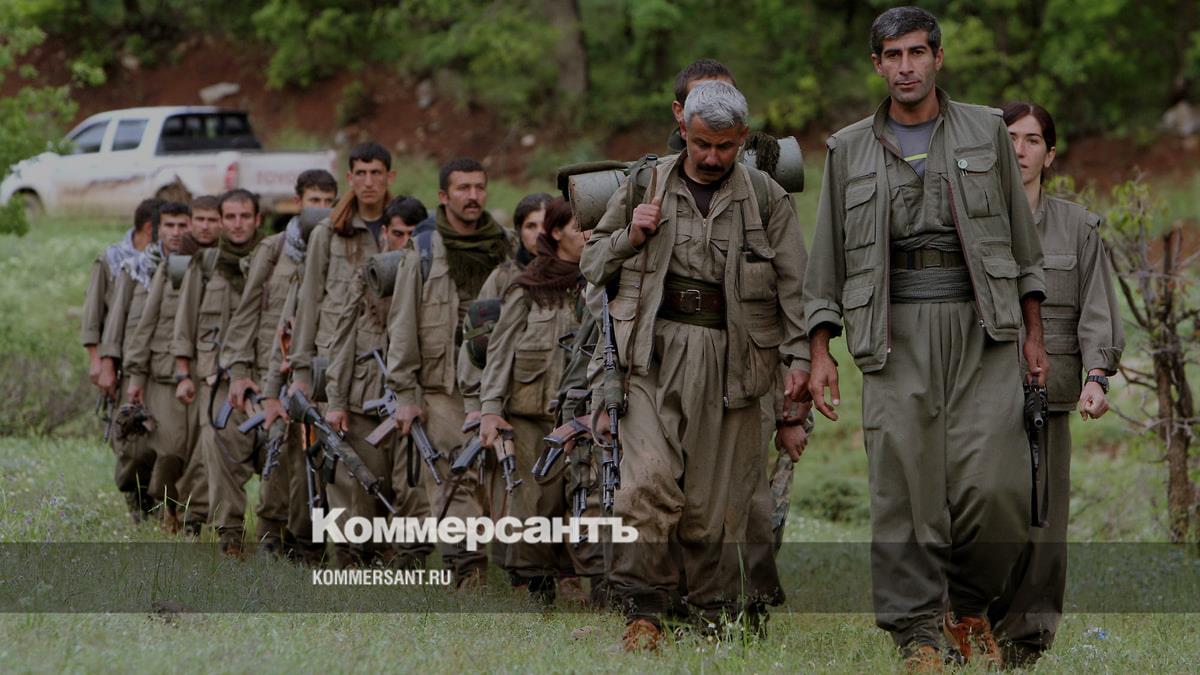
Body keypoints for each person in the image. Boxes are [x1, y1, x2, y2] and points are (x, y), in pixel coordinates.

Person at [799, 6, 1048, 668]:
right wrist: (820, 352)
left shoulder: (986, 129)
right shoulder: (848, 148)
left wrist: (1034, 332)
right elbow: (825, 261)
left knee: (998, 488)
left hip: (982, 327)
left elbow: (1023, 244)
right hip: (893, 332)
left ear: (938, 57)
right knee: (904, 489)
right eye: (893, 55)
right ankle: (916, 632)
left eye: (917, 52)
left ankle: (966, 607)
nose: (905, 66)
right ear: (877, 64)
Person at [580, 80, 808, 649]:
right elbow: (592, 264)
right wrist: (631, 236)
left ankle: (711, 615)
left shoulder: (767, 198)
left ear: (742, 139)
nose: (711, 157)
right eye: (702, 143)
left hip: (734, 364)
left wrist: (801, 367)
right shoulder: (643, 184)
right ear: (683, 129)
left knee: (713, 509)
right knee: (646, 486)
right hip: (651, 358)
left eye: (725, 147)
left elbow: (796, 292)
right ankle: (643, 612)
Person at [986, 102, 1124, 666]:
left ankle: (1023, 642)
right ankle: (969, 623)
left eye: (1032, 140)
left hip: (1052, 394)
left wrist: (1097, 377)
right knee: (981, 511)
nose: (1019, 150)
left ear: (1050, 153)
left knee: (1044, 524)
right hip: (977, 394)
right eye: (1009, 138)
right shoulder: (972, 221)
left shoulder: (1078, 227)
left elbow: (1097, 311)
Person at [385, 157, 514, 588]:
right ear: (443, 196)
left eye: (479, 187)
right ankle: (467, 571)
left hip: (494, 383)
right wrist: (406, 394)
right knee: (451, 476)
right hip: (441, 387)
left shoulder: (504, 247)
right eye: (463, 188)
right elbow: (402, 325)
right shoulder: (422, 251)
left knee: (493, 480)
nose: (473, 196)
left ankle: (516, 568)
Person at [478, 197, 593, 605]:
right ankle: (532, 586)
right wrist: (490, 409)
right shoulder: (527, 286)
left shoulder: (599, 284)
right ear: (556, 233)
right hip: (530, 414)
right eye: (580, 227)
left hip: (584, 416)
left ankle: (588, 582)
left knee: (584, 500)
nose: (588, 235)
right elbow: (500, 350)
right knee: (532, 501)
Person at [220, 169, 337, 559]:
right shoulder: (273, 250)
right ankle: (271, 534)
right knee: (278, 451)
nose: (321, 209)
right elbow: (246, 313)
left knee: (313, 458)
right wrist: (240, 373)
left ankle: (310, 541)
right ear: (298, 202)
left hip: (319, 370)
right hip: (272, 369)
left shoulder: (339, 248)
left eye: (328, 201)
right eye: (314, 200)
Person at [324, 195, 434, 568]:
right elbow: (341, 342)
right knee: (358, 485)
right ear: (384, 232)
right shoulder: (364, 277)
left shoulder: (428, 277)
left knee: (413, 487)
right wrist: (336, 402)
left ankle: (410, 559)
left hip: (414, 402)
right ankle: (351, 557)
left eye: (413, 236)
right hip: (365, 398)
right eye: (398, 234)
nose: (404, 243)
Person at [172, 189, 265, 557]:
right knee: (217, 450)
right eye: (231, 217)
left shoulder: (274, 260)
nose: (238, 224)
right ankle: (229, 535)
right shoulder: (205, 264)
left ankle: (282, 536)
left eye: (245, 216)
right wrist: (183, 373)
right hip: (218, 378)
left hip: (266, 375)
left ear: (258, 219)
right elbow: (185, 321)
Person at [289, 142, 394, 403]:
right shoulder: (328, 232)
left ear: (389, 177)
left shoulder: (401, 230)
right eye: (360, 173)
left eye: (376, 173)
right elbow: (310, 300)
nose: (368, 182)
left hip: (387, 358)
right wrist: (301, 372)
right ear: (349, 178)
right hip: (334, 360)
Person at [85, 197, 161, 521]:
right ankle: (137, 503)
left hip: (152, 359)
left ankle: (159, 503)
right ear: (150, 227)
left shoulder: (160, 261)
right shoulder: (112, 259)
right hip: (118, 358)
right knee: (127, 435)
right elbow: (94, 315)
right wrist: (99, 361)